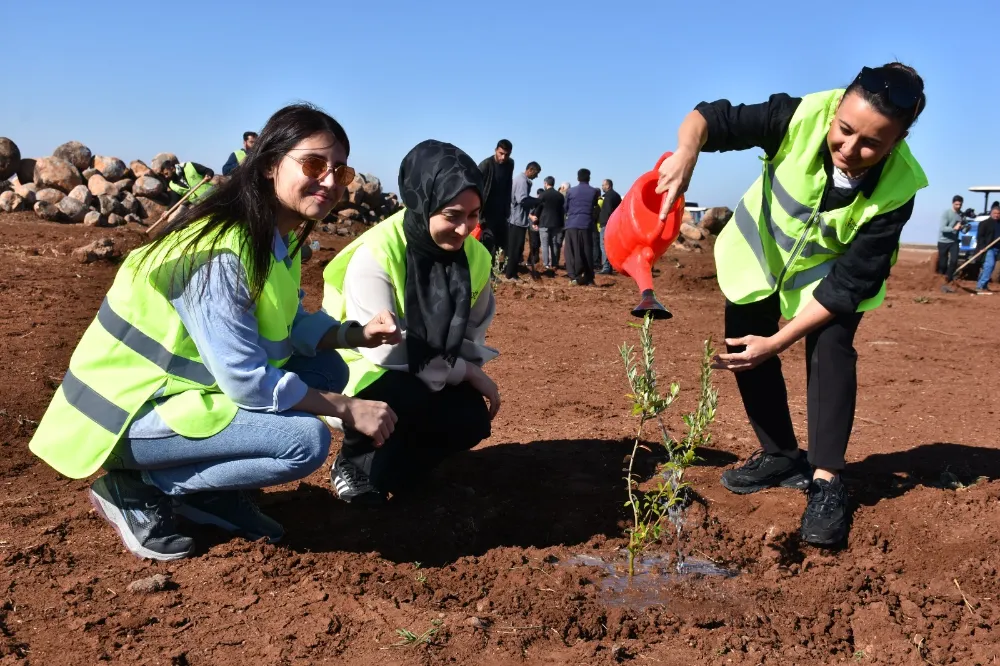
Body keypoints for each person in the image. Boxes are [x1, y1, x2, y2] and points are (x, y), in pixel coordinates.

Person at [27, 104, 401, 561]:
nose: (328, 181)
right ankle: (139, 486)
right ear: (268, 165)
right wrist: (346, 409)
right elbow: (245, 379)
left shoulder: (274, 239)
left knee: (327, 367)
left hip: (184, 393)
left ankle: (209, 491)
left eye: (339, 171)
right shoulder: (221, 252)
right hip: (124, 416)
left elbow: (287, 324)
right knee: (305, 442)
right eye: (314, 165)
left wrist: (354, 334)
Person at [656, 62, 928, 546]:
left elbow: (850, 284)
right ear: (836, 109)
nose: (849, 149)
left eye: (871, 144)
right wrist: (686, 153)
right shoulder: (796, 117)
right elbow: (710, 117)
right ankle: (779, 455)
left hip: (824, 282)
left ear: (897, 142)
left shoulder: (898, 190)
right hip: (757, 256)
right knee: (746, 349)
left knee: (833, 348)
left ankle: (825, 482)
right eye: (843, 130)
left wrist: (778, 342)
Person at [322, 140, 501, 504]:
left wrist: (462, 370)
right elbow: (384, 354)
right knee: (407, 394)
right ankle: (352, 463)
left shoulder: (477, 258)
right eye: (452, 215)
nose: (465, 229)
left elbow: (470, 334)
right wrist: (464, 373)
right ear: (421, 204)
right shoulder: (377, 253)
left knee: (471, 419)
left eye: (473, 215)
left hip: (433, 366)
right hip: (362, 372)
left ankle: (399, 470)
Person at [503, 161, 542, 281]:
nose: (536, 176)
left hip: (518, 219)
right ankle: (511, 274)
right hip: (516, 220)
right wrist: (538, 201)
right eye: (536, 173)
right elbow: (522, 200)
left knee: (517, 248)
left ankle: (512, 272)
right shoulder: (522, 181)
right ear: (530, 170)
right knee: (515, 248)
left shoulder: (522, 180)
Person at [478, 140, 515, 260]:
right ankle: (488, 274)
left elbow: (508, 185)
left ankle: (495, 269)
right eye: (501, 153)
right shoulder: (485, 165)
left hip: (501, 211)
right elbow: (475, 185)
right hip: (487, 211)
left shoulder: (510, 164)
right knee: (488, 242)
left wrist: (507, 209)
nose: (503, 157)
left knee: (501, 243)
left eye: (507, 154)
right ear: (495, 150)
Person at [563, 168, 601, 285]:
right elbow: (594, 205)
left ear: (578, 178)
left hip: (572, 224)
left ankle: (573, 276)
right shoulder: (594, 191)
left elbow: (565, 208)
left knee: (571, 251)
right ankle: (589, 278)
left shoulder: (571, 192)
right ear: (589, 178)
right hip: (586, 224)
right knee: (587, 251)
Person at [533, 176, 566, 271]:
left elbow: (538, 209)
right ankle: (555, 264)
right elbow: (562, 210)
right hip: (556, 223)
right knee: (554, 244)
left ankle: (546, 264)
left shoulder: (543, 195)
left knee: (544, 244)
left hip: (544, 223)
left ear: (546, 183)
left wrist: (535, 221)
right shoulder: (560, 196)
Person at [937, 195, 964, 292]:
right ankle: (939, 280)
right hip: (943, 241)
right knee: (943, 264)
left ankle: (948, 279)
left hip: (954, 241)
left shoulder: (961, 215)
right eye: (956, 204)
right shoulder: (946, 213)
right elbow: (943, 228)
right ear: (953, 203)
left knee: (954, 260)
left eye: (960, 204)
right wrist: (953, 228)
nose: (958, 206)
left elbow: (962, 229)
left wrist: (963, 228)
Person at [597, 179, 622, 274]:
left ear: (608, 186)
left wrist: (604, 222)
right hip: (615, 224)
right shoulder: (617, 196)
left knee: (604, 246)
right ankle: (612, 265)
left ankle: (606, 267)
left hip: (606, 224)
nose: (602, 187)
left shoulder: (607, 197)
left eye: (603, 185)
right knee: (612, 246)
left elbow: (607, 211)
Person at [974, 204, 1000, 294]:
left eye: (998, 213)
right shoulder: (984, 223)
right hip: (988, 248)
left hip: (997, 248)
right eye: (995, 213)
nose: (996, 215)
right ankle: (980, 286)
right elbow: (980, 237)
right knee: (990, 265)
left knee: (988, 267)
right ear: (991, 213)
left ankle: (982, 285)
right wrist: (982, 247)